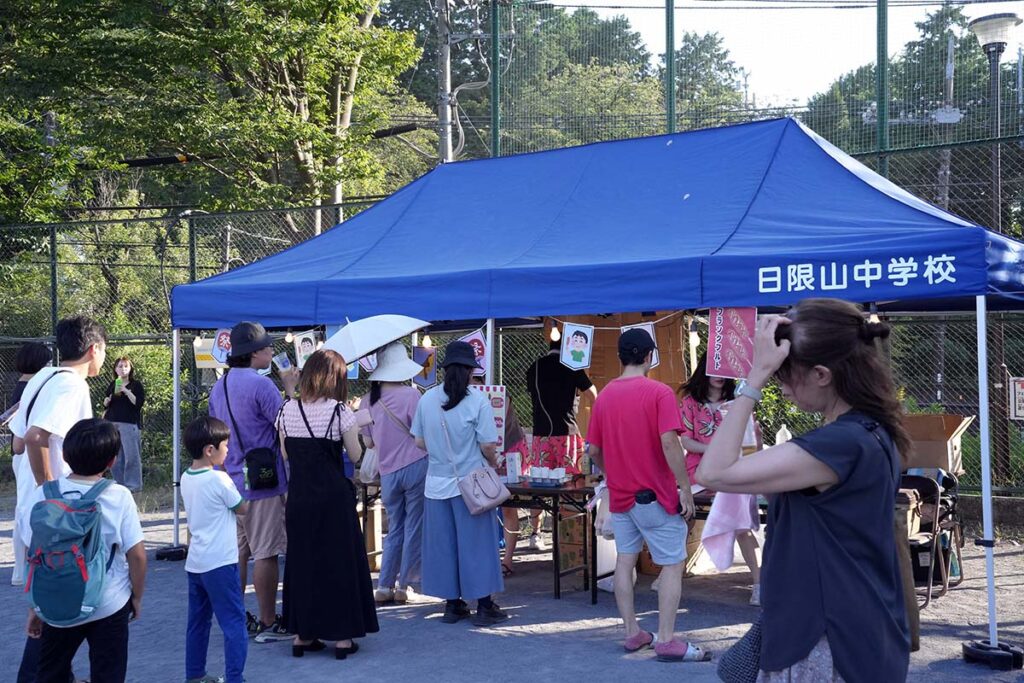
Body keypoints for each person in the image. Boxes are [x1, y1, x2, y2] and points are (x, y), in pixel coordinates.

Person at [696, 298, 911, 682]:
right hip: (858, 626)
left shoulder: (841, 444)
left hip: (824, 638)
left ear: (822, 375)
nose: (782, 387)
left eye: (785, 374)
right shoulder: (871, 431)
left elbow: (714, 471)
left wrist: (753, 380)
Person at [587, 328, 708, 663]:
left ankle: (632, 633)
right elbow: (672, 443)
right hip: (655, 494)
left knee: (625, 561)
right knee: (672, 563)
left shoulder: (606, 395)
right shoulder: (658, 392)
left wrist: (611, 473)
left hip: (621, 496)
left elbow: (593, 448)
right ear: (648, 356)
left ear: (622, 355)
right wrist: (684, 487)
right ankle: (667, 639)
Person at [20, 418, 146, 683]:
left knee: (51, 673)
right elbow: (137, 555)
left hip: (55, 603)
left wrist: (35, 606)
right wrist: (136, 596)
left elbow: (32, 554)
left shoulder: (43, 495)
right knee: (108, 673)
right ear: (112, 461)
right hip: (109, 602)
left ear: (65, 454)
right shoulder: (119, 496)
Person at [276, 349, 378, 659]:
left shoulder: (286, 410)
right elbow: (356, 455)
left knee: (303, 562)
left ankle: (302, 634)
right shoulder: (340, 412)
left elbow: (285, 455)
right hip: (333, 497)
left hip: (300, 496)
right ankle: (342, 637)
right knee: (339, 562)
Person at [208, 321, 299, 643]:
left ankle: (236, 618)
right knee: (266, 552)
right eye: (268, 347)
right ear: (255, 353)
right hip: (264, 480)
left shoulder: (219, 387)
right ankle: (268, 621)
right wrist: (290, 389)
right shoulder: (263, 386)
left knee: (239, 553)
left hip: (229, 479)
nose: (272, 351)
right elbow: (286, 423)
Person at [411, 341, 507, 627]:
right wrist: (493, 462)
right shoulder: (477, 401)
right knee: (477, 545)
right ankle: (485, 605)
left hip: (437, 484)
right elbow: (488, 444)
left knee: (444, 547)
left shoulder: (426, 399)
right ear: (468, 372)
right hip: (471, 485)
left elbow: (418, 441)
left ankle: (453, 605)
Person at [677, 351, 762, 605]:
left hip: (731, 473)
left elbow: (749, 441)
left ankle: (759, 584)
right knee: (685, 519)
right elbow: (686, 440)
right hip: (698, 473)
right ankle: (671, 572)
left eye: (724, 369)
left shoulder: (739, 401)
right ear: (704, 369)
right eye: (714, 368)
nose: (719, 376)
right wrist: (715, 451)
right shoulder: (690, 402)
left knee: (742, 527)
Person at [181, 416, 249, 683]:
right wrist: (247, 483)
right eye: (225, 445)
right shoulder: (220, 480)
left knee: (198, 623)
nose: (228, 450)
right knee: (234, 623)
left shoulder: (186, 477)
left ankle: (194, 675)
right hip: (221, 563)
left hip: (196, 563)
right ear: (210, 450)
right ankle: (235, 678)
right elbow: (242, 508)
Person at [361, 342, 429, 605]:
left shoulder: (368, 400)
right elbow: (421, 433)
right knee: (414, 526)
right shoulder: (412, 396)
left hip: (387, 472)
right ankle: (406, 585)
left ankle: (384, 585)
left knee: (395, 529)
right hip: (415, 466)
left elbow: (368, 443)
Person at [523, 334, 597, 549]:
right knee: (572, 485)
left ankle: (535, 534)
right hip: (568, 435)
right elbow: (593, 394)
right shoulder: (572, 367)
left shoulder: (534, 367)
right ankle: (568, 535)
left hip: (541, 437)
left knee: (539, 484)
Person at [9, 341, 51, 587]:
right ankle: (22, 570)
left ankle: (19, 570)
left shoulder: (22, 386)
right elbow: (19, 442)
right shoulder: (31, 388)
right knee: (27, 509)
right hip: (26, 455)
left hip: (22, 455)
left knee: (22, 509)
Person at [103, 356, 146, 492]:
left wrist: (126, 391)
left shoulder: (136, 385)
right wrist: (107, 400)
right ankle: (119, 485)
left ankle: (133, 486)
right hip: (112, 423)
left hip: (129, 424)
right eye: (120, 366)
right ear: (115, 369)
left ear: (130, 368)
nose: (123, 369)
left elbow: (138, 403)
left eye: (125, 366)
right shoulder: (112, 384)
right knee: (115, 457)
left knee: (131, 456)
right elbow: (106, 405)